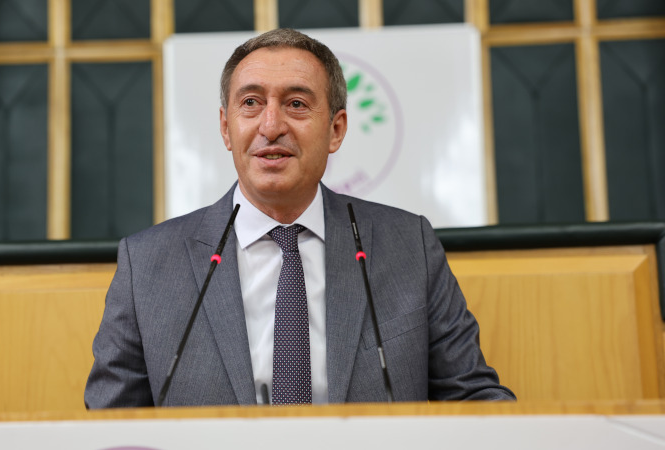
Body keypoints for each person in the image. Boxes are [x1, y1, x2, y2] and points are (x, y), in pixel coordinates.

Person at [85, 28, 515, 408]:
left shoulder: (408, 246)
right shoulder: (147, 265)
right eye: (251, 103)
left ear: (336, 130)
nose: (271, 126)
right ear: (225, 128)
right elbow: (109, 425)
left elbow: (474, 399)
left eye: (296, 104)